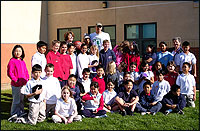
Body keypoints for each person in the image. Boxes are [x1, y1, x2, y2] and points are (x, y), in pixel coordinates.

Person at [7, 45, 29, 117]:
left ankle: (21, 111)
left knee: (22, 100)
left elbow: (26, 71)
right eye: (16, 51)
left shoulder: (22, 61)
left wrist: (27, 78)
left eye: (19, 51)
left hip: (23, 84)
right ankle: (14, 113)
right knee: (16, 100)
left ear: (22, 52)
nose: (18, 53)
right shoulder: (12, 61)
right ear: (13, 52)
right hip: (16, 84)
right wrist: (16, 80)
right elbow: (10, 73)